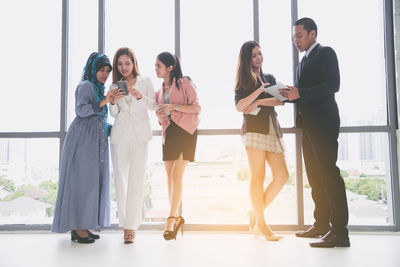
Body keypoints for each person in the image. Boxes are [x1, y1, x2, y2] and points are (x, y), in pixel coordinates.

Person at [280, 17, 350, 248]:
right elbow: (303, 94)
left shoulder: (326, 53)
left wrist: (300, 94)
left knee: (329, 175)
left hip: (324, 123)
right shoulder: (301, 64)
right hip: (307, 126)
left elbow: (333, 85)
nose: (296, 41)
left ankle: (339, 232)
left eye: (299, 36)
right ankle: (321, 224)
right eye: (293, 38)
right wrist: (286, 95)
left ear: (313, 33)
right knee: (315, 177)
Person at [52, 52, 121, 243]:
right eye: (101, 69)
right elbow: (82, 110)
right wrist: (106, 101)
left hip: (93, 141)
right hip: (82, 142)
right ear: (93, 69)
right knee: (81, 183)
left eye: (107, 71)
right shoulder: (85, 86)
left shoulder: (99, 89)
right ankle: (77, 229)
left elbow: (100, 118)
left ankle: (84, 226)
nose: (105, 74)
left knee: (91, 184)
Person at [234, 41, 289, 241]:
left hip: (271, 128)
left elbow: (280, 101)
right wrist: (258, 92)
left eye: (260, 53)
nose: (259, 58)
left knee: (282, 175)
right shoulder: (243, 81)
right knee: (258, 176)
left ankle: (256, 215)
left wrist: (257, 101)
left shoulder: (269, 78)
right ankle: (262, 224)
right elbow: (240, 106)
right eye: (254, 55)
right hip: (254, 131)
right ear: (247, 59)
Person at [109, 47, 156, 243]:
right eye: (120, 64)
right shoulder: (113, 85)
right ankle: (124, 224)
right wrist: (112, 101)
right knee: (121, 180)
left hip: (139, 135)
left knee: (137, 179)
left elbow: (152, 105)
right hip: (120, 134)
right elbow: (113, 113)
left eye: (127, 63)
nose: (124, 67)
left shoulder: (145, 82)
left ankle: (131, 227)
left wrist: (138, 96)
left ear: (133, 63)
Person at [154, 52, 201, 241]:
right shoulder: (159, 91)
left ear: (170, 67)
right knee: (169, 176)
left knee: (177, 175)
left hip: (186, 131)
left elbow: (197, 108)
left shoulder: (185, 83)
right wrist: (160, 115)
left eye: (158, 65)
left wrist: (174, 107)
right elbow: (161, 117)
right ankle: (175, 216)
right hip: (170, 132)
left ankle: (171, 219)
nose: (156, 68)